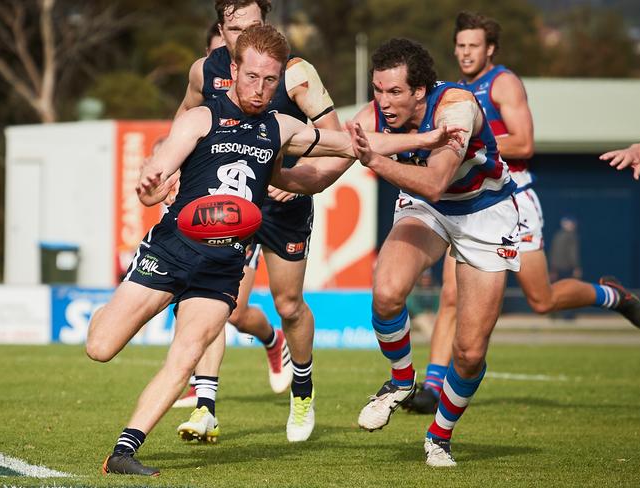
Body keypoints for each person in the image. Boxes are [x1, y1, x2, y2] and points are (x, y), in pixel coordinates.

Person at [91, 24, 463, 476]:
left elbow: (354, 143)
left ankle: (124, 452)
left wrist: (423, 140)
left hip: (224, 264)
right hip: (172, 249)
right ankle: (113, 315)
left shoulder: (280, 126)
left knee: (187, 353)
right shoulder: (200, 119)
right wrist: (150, 186)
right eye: (252, 77)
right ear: (234, 70)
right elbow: (153, 188)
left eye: (270, 80)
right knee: (101, 346)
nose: (260, 89)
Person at [405, 11, 640, 417]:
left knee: (542, 299)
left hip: (514, 196)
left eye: (473, 46)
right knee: (451, 293)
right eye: (460, 46)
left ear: (490, 49)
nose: (465, 53)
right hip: (474, 202)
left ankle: (611, 295)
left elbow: (524, 142)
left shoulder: (503, 82)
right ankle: (432, 387)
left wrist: (471, 137)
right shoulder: (455, 92)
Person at [172, 0, 348, 444]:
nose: (244, 35)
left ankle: (302, 389)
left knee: (289, 305)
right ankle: (205, 407)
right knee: (219, 300)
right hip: (229, 202)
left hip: (281, 202)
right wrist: (173, 168)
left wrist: (305, 183)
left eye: (254, 25)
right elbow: (185, 118)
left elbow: (341, 143)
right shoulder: (203, 71)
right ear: (221, 28)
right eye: (235, 28)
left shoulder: (295, 72)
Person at [350, 37, 520, 468]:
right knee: (387, 290)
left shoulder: (457, 109)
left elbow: (434, 181)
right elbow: (327, 164)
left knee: (469, 352)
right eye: (377, 90)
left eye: (394, 92)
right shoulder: (373, 116)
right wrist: (281, 179)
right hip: (427, 210)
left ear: (420, 91)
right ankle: (401, 381)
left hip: (485, 211)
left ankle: (439, 436)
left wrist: (374, 160)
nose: (383, 103)